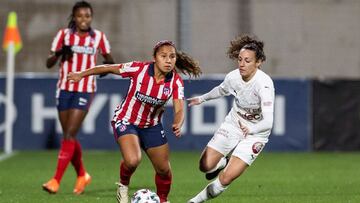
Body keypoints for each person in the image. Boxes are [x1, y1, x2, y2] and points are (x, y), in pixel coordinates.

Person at [67, 40, 202, 203]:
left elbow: (179, 108)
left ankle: (163, 200)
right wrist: (81, 74)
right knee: (132, 160)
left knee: (164, 169)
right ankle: (123, 186)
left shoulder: (175, 81)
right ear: (155, 58)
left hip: (151, 126)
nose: (168, 60)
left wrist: (177, 122)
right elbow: (107, 67)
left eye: (172, 57)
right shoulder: (139, 69)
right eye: (164, 56)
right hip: (126, 120)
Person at [187, 34, 275, 203]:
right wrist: (202, 99)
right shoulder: (233, 77)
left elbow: (268, 122)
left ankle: (194, 201)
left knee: (226, 178)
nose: (242, 64)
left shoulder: (263, 84)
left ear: (258, 62)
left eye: (247, 61)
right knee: (205, 166)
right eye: (240, 59)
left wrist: (252, 129)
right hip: (234, 123)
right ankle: (222, 162)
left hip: (256, 133)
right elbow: (221, 90)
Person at [42, 0, 115, 195]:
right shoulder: (63, 35)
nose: (84, 20)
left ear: (91, 17)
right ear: (74, 17)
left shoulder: (98, 37)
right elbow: (49, 63)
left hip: (85, 89)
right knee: (70, 136)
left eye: (87, 16)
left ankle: (56, 180)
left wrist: (104, 69)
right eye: (80, 16)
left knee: (69, 135)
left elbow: (109, 60)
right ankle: (82, 175)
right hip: (64, 88)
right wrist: (59, 53)